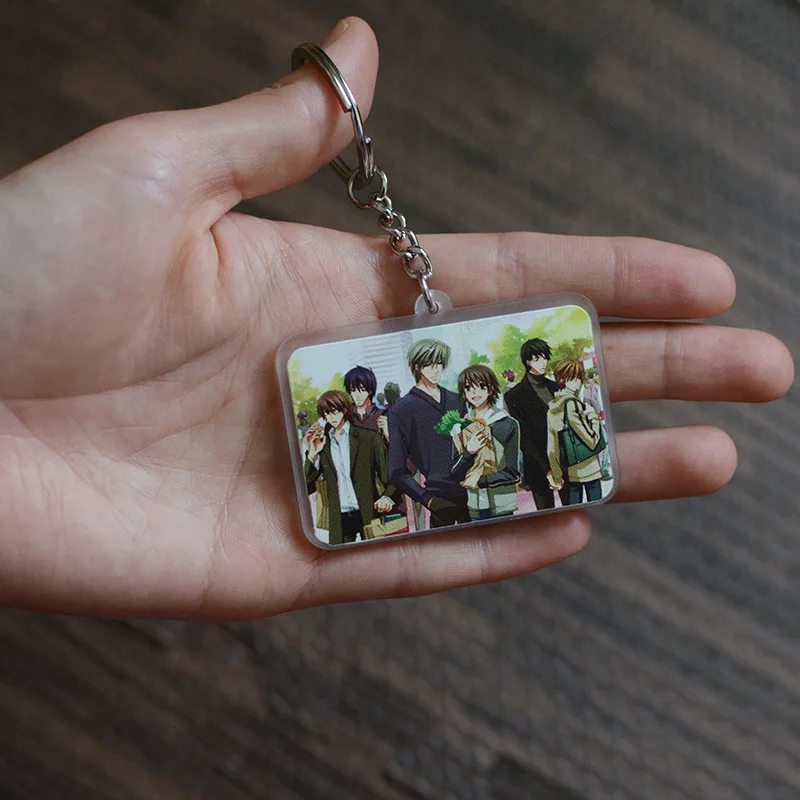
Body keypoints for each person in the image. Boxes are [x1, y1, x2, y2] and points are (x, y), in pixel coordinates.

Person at [0, 16, 791, 618]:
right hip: (402, 501)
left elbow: (502, 449)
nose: (456, 381)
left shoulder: (469, 407)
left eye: (464, 377)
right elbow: (399, 462)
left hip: (471, 490)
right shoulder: (397, 413)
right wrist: (414, 488)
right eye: (445, 374)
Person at [387, 339, 471, 528]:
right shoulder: (401, 410)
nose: (436, 370)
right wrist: (428, 500)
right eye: (429, 364)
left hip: (472, 491)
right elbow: (396, 471)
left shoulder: (456, 400)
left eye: (439, 363)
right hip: (439, 498)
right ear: (417, 366)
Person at [304, 390, 394, 544]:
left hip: (368, 513)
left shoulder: (368, 438)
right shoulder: (323, 444)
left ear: (344, 410)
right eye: (327, 413)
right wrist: (312, 454)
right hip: (339, 518)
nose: (332, 417)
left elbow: (388, 475)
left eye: (335, 411)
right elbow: (306, 487)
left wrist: (387, 496)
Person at [504, 338, 571, 510]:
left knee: (574, 509)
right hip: (537, 465)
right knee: (546, 515)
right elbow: (524, 438)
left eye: (545, 358)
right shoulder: (514, 396)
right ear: (527, 362)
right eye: (536, 359)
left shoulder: (557, 387)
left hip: (565, 461)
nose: (543, 363)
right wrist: (547, 469)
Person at [451, 365, 521, 521]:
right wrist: (469, 452)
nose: (474, 392)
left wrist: (481, 481)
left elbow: (513, 473)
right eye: (468, 388)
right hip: (475, 506)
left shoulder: (507, 424)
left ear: (490, 389)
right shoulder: (461, 427)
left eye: (480, 386)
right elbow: (455, 473)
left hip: (503, 505)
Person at [546, 360, 607, 505]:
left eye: (579, 378)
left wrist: (557, 475)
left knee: (575, 509)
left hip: (571, 472)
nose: (577, 382)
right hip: (589, 468)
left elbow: (552, 448)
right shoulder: (572, 404)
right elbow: (592, 441)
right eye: (572, 378)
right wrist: (593, 416)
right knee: (597, 509)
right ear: (562, 380)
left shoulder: (553, 407)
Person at [344, 365, 389, 440]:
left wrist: (387, 433)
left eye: (363, 389)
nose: (357, 395)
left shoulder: (381, 414)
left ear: (370, 390)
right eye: (353, 390)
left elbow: (393, 444)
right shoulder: (346, 415)